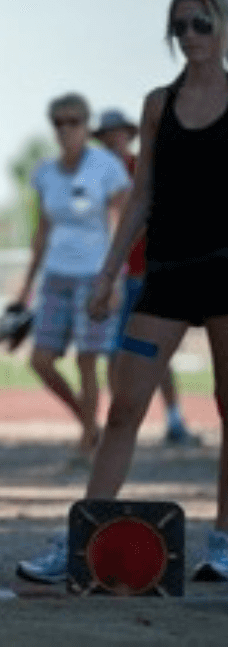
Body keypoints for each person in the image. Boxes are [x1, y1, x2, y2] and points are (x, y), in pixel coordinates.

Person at [17, 0, 228, 585]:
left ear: (221, 26)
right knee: (125, 406)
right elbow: (141, 196)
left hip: (225, 274)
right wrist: (109, 272)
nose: (190, 37)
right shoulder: (159, 104)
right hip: (165, 274)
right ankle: (83, 537)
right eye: (180, 26)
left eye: (201, 24)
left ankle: (224, 543)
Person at [13, 93, 130, 458]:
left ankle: (86, 446)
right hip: (55, 278)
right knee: (40, 361)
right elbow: (42, 232)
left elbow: (123, 224)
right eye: (58, 123)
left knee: (87, 361)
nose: (66, 130)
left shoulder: (106, 167)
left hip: (93, 276)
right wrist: (25, 288)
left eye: (73, 122)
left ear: (86, 125)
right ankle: (90, 424)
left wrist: (116, 278)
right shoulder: (44, 172)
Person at [92, 108, 199, 446]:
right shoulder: (97, 174)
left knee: (156, 353)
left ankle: (174, 419)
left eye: (118, 132)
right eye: (107, 133)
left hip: (146, 274)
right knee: (111, 352)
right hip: (115, 279)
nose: (113, 138)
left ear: (128, 133)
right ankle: (118, 421)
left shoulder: (144, 166)